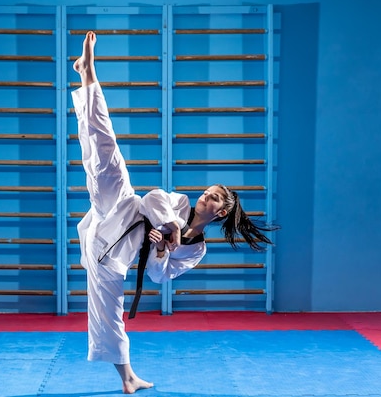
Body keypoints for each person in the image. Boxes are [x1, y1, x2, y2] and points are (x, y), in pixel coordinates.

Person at [72, 31, 276, 394]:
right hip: (118, 205)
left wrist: (164, 247)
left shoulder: (197, 250)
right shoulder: (180, 204)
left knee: (109, 319)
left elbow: (157, 276)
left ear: (221, 212)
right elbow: (151, 198)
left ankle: (128, 378)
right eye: (208, 191)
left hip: (111, 252)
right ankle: (88, 75)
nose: (205, 196)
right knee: (103, 150)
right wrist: (172, 228)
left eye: (214, 198)